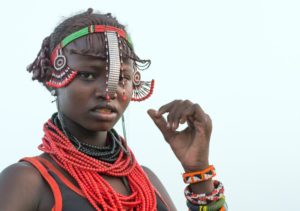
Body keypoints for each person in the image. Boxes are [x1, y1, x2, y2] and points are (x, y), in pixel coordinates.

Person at [0, 9, 227, 211]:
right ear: (52, 77)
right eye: (88, 75)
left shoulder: (146, 182)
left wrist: (199, 172)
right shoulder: (28, 181)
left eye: (122, 78)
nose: (108, 92)